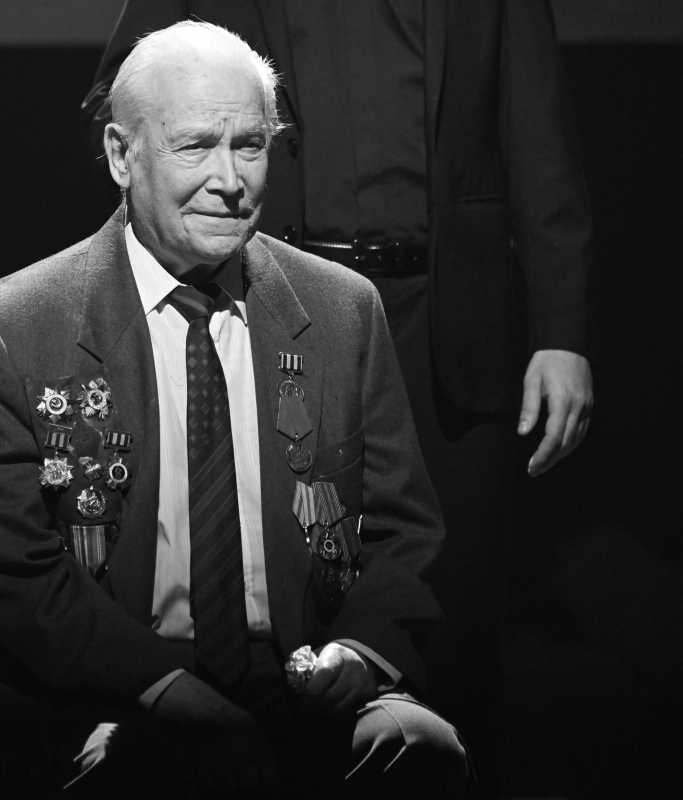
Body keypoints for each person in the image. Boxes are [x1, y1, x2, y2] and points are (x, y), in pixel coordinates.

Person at [0, 21, 466, 800]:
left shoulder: (343, 309)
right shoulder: (14, 326)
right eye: (195, 147)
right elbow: (14, 570)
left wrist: (358, 652)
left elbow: (404, 528)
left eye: (249, 145)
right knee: (128, 770)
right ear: (122, 155)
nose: (231, 180)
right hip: (113, 682)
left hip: (301, 675)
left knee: (418, 750)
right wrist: (172, 694)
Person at [82, 3, 595, 793]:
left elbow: (539, 128)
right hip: (274, 303)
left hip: (448, 319)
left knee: (457, 627)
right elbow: (119, 94)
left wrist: (561, 331)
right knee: (283, 610)